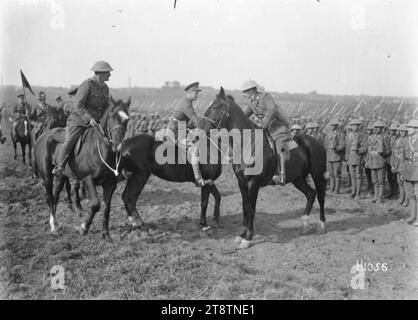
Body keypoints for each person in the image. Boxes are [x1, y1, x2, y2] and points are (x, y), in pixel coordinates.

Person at [52, 61, 113, 176]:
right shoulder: (87, 85)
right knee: (70, 141)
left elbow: (105, 107)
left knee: (111, 140)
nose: (109, 75)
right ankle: (59, 167)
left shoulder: (105, 88)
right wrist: (89, 118)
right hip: (79, 122)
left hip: (96, 123)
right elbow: (78, 104)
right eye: (107, 72)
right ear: (99, 73)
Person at [241, 80, 292, 185]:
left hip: (277, 128)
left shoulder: (265, 97)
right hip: (265, 130)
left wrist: (263, 123)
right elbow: (244, 115)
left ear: (252, 90)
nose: (244, 94)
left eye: (245, 91)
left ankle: (282, 175)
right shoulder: (251, 102)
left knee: (279, 147)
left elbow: (272, 110)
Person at [167, 81, 213, 187]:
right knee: (195, 150)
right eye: (196, 92)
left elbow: (190, 121)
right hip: (175, 133)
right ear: (190, 92)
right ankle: (198, 179)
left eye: (198, 92)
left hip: (180, 130)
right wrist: (209, 124)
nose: (197, 94)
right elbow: (196, 119)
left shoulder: (186, 102)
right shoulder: (186, 103)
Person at [366, 120, 390, 203]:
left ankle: (380, 197)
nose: (376, 129)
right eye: (375, 127)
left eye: (378, 128)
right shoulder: (370, 137)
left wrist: (382, 152)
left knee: (381, 181)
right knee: (374, 180)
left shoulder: (385, 137)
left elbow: (388, 150)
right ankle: (375, 196)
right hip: (372, 162)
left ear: (382, 128)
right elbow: (368, 151)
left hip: (380, 161)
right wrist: (367, 161)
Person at [402, 119, 418, 226]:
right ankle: (412, 216)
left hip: (417, 168)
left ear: (416, 129)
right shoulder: (407, 140)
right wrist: (403, 171)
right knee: (411, 195)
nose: (408, 129)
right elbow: (403, 157)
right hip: (408, 169)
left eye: (410, 127)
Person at [346, 118, 367, 199]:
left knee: (358, 176)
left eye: (356, 125)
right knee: (352, 175)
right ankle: (353, 191)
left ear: (359, 126)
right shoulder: (349, 135)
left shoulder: (363, 135)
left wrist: (358, 150)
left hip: (358, 158)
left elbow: (365, 148)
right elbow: (347, 148)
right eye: (353, 125)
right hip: (351, 158)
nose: (354, 127)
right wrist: (346, 158)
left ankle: (358, 193)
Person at [325, 119, 346, 194]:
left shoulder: (341, 134)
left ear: (337, 126)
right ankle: (332, 188)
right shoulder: (328, 133)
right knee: (331, 174)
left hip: (337, 156)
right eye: (331, 125)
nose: (332, 126)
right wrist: (328, 147)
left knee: (337, 174)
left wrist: (336, 148)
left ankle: (336, 190)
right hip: (329, 156)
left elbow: (343, 145)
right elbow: (326, 144)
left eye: (334, 125)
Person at [393, 124, 409, 207]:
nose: (402, 133)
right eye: (401, 131)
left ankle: (406, 200)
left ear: (406, 132)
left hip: (405, 164)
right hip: (397, 164)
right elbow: (393, 153)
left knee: (405, 183)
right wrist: (393, 165)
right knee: (399, 183)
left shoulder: (408, 141)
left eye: (404, 131)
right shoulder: (397, 140)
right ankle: (401, 198)